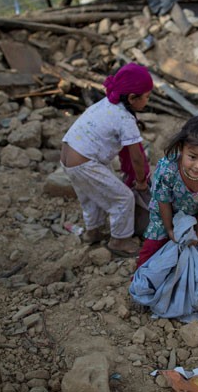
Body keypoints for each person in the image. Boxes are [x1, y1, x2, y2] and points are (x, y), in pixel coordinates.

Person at [60, 63, 153, 256]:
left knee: (91, 196)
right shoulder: (125, 119)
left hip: (70, 156)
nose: (148, 100)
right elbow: (137, 156)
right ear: (132, 98)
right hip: (86, 163)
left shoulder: (107, 103)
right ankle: (120, 241)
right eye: (146, 96)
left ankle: (92, 232)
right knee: (123, 198)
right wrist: (142, 182)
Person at [136, 115, 198, 300]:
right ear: (181, 149)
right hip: (166, 212)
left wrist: (197, 232)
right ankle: (142, 280)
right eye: (192, 157)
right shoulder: (167, 169)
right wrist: (170, 229)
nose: (197, 166)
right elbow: (162, 200)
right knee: (153, 245)